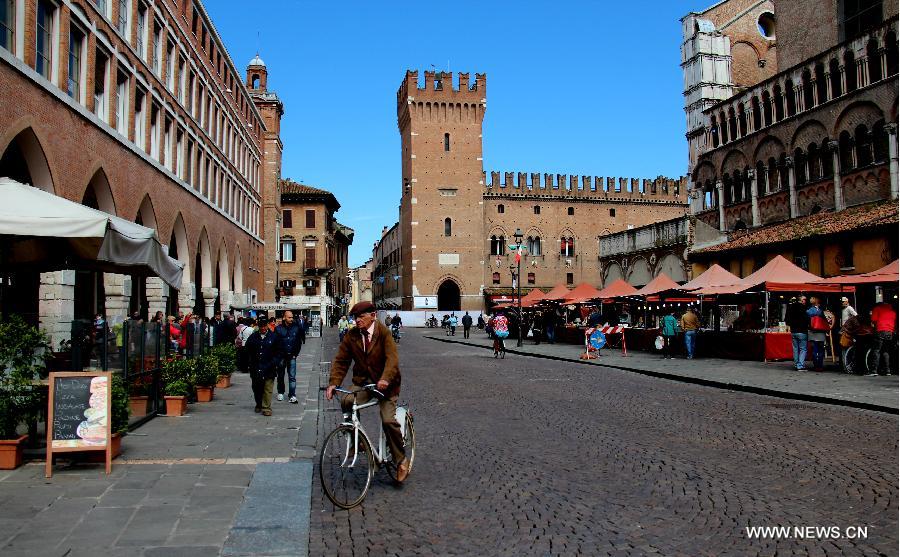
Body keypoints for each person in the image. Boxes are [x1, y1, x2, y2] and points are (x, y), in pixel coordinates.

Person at [325, 301, 409, 482]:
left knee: (388, 420)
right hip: (364, 383)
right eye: (355, 317)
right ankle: (358, 442)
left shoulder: (384, 333)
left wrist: (385, 378)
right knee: (347, 400)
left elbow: (392, 359)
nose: (357, 320)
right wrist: (333, 383)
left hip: (386, 384)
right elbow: (341, 360)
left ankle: (401, 460)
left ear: (373, 315)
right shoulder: (352, 335)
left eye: (361, 317)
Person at [245, 316, 283, 416]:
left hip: (269, 367)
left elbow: (279, 352)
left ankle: (266, 407)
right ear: (258, 326)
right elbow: (247, 350)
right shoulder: (253, 337)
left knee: (268, 388)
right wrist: (250, 362)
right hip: (256, 367)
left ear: (267, 326)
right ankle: (258, 403)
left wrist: (274, 362)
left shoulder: (274, 337)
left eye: (264, 326)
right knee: (257, 388)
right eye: (261, 326)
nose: (263, 329)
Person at [275, 311, 303, 403]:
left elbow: (299, 342)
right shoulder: (278, 329)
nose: (291, 319)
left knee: (292, 376)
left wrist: (296, 354)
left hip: (292, 356)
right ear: (284, 318)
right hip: (281, 356)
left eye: (292, 317)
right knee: (280, 375)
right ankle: (280, 392)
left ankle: (292, 394)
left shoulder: (296, 328)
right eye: (289, 317)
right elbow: (275, 342)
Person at [870, 302, 897, 376]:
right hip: (890, 332)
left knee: (876, 350)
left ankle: (874, 371)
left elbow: (873, 320)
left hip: (880, 330)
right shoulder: (893, 312)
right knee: (885, 351)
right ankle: (887, 371)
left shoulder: (877, 309)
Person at [786, 295, 809, 371]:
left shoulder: (790, 307)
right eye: (804, 299)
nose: (805, 301)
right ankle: (800, 365)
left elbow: (787, 318)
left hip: (793, 331)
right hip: (802, 330)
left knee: (795, 348)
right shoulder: (804, 308)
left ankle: (796, 364)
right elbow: (807, 319)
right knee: (803, 349)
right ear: (801, 300)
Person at [806, 296, 828, 371]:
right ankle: (820, 365)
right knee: (821, 349)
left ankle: (816, 365)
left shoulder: (808, 311)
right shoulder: (821, 311)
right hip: (821, 332)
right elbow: (825, 321)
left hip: (812, 332)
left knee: (814, 350)